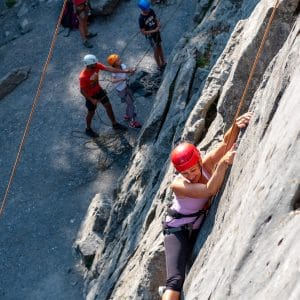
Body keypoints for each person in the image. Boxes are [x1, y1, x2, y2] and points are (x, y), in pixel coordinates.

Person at [161, 112, 253, 300]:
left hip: (195, 227)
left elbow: (224, 145)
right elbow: (209, 190)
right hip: (177, 231)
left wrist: (236, 125)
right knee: (176, 281)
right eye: (185, 173)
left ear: (199, 161)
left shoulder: (206, 163)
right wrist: (223, 165)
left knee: (186, 269)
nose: (191, 175)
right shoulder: (178, 185)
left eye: (193, 170)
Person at [79, 54, 135, 137]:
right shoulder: (83, 77)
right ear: (89, 65)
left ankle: (114, 124)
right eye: (94, 63)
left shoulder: (96, 66)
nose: (96, 63)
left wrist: (125, 71)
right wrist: (91, 100)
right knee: (91, 112)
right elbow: (82, 91)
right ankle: (88, 129)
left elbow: (109, 69)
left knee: (108, 106)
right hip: (91, 96)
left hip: (99, 91)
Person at [107, 54, 142, 129]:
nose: (120, 60)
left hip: (126, 86)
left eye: (119, 59)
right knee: (131, 105)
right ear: (114, 63)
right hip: (121, 90)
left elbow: (127, 73)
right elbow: (112, 80)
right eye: (118, 60)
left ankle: (127, 115)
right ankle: (132, 122)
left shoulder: (122, 66)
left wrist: (132, 71)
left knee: (131, 101)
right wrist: (122, 79)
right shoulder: (114, 72)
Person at [138, 0, 167, 71]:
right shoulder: (141, 19)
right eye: (146, 9)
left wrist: (158, 23)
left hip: (156, 32)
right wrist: (154, 30)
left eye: (148, 8)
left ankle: (163, 61)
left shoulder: (151, 11)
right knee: (156, 49)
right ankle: (159, 65)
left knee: (159, 46)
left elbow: (155, 18)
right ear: (142, 9)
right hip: (151, 36)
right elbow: (143, 32)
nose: (148, 9)